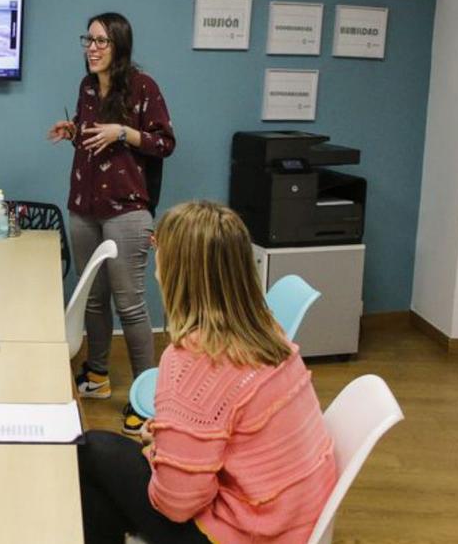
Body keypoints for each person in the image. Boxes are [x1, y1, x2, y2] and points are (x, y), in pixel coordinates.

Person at [77, 201, 338, 544]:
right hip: (296, 521)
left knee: (92, 450)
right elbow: (227, 431)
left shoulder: (191, 360)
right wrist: (169, 445)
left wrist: (159, 455)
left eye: (160, 256)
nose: (156, 270)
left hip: (248, 532)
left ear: (177, 272)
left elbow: (176, 504)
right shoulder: (267, 331)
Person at [47, 12, 175, 434]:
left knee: (130, 304)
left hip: (127, 210)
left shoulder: (142, 87)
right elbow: (93, 135)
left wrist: (123, 131)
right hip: (84, 205)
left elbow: (164, 143)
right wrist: (74, 131)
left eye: (102, 41)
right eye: (89, 40)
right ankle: (97, 375)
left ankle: (147, 398)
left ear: (119, 46)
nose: (93, 48)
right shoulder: (86, 87)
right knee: (93, 298)